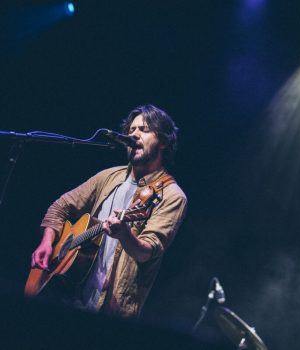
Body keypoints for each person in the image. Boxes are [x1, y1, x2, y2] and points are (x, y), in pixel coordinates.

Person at [30, 104, 187, 318]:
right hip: (68, 296)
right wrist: (47, 242)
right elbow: (60, 207)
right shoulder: (109, 177)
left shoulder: (171, 195)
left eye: (144, 129)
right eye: (131, 130)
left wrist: (124, 234)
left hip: (110, 311)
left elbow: (146, 252)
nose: (134, 135)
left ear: (164, 141)